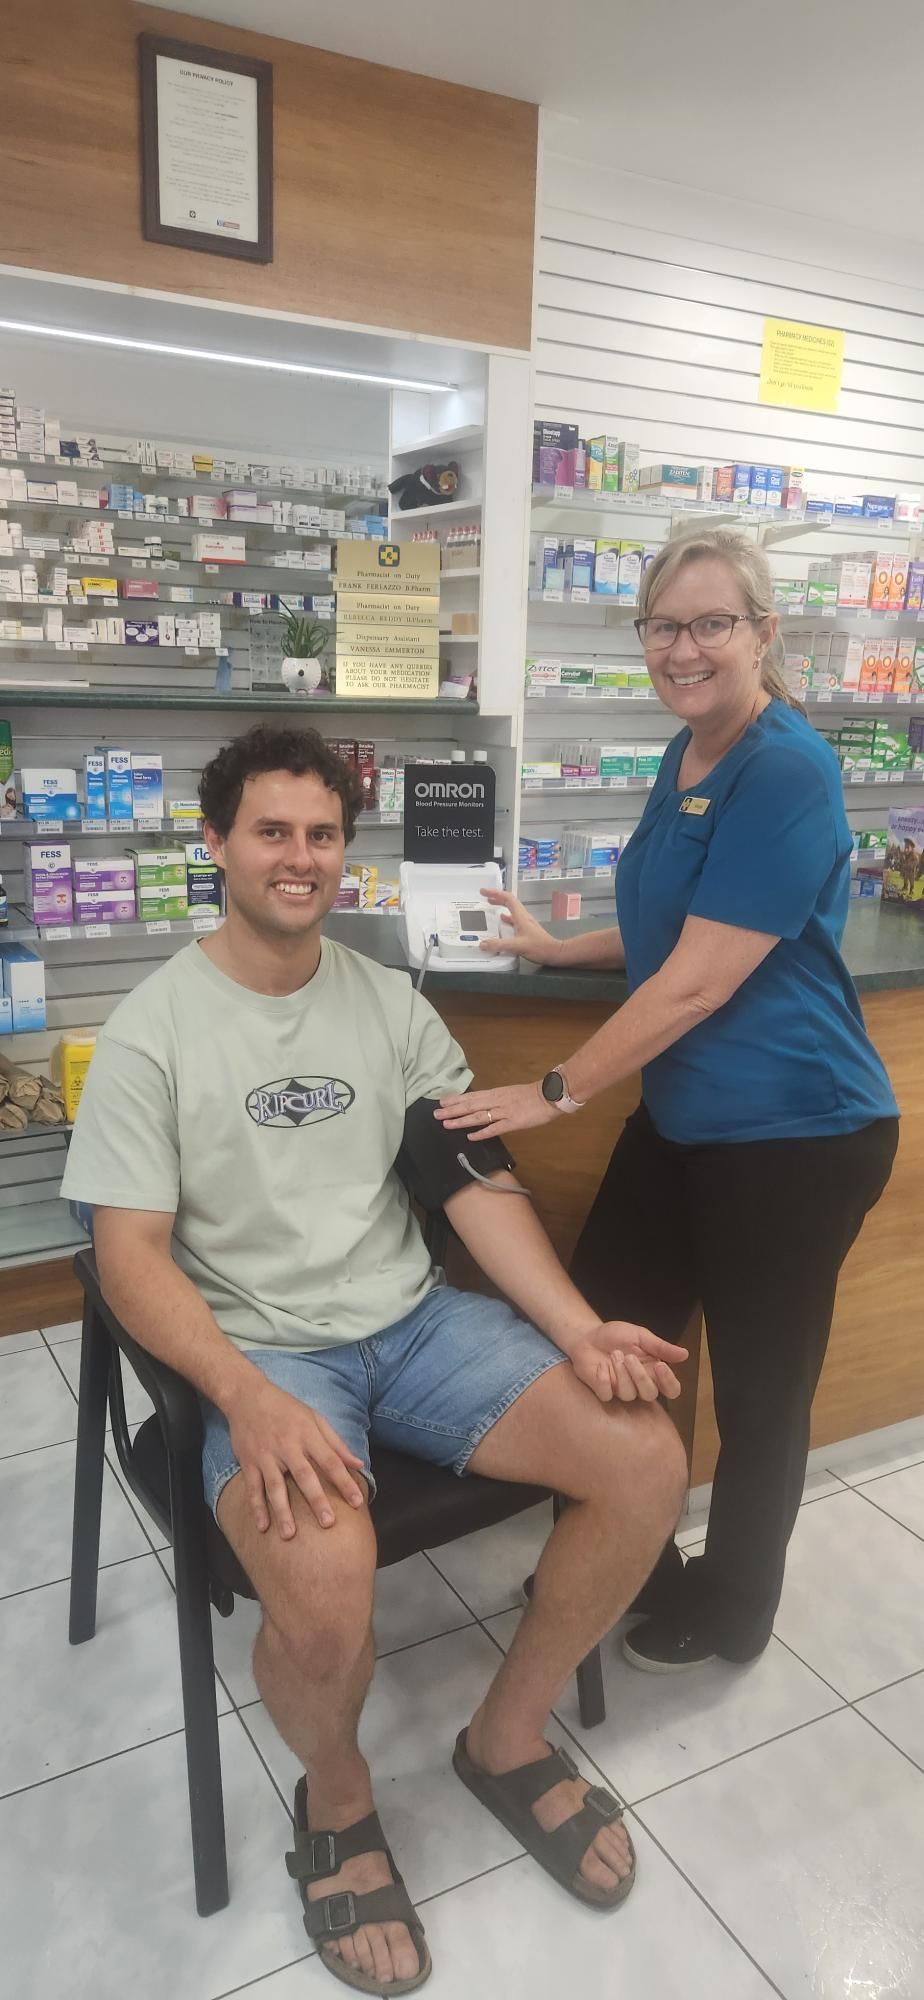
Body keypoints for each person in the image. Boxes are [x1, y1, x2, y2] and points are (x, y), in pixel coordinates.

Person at [62, 724, 689, 1996]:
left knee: (643, 1456)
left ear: (348, 852)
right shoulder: (150, 1034)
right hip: (259, 1349)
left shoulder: (389, 1000)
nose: (300, 858)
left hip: (412, 1323)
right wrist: (244, 1393)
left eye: (323, 835)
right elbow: (127, 1258)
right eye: (272, 831)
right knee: (328, 1568)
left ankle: (507, 1735)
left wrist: (576, 1326)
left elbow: (467, 1176)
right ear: (218, 844)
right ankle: (337, 1798)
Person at [437, 527, 899, 1676]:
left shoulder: (787, 765)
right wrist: (558, 948)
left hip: (800, 1130)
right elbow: (668, 930)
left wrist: (554, 1089)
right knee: (606, 1336)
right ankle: (631, 1553)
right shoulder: (683, 750)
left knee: (758, 1385)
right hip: (688, 1120)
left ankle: (736, 1607)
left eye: (710, 623)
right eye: (663, 626)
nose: (683, 648)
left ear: (762, 631)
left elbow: (701, 976)